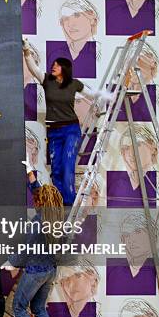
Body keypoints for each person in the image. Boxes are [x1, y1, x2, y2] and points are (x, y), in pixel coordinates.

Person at [23, 39, 109, 205]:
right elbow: (33, 68)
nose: (53, 66)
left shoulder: (74, 84)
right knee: (56, 170)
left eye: (56, 65)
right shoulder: (46, 80)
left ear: (64, 68)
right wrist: (27, 50)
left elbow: (92, 95)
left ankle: (68, 204)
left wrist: (108, 96)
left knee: (67, 166)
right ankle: (60, 203)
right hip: (54, 132)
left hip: (71, 130)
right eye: (53, 65)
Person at [3, 159, 62, 317]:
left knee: (19, 306)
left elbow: (26, 249)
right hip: (50, 271)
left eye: (37, 199)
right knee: (38, 308)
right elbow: (40, 193)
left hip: (35, 271)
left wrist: (12, 263)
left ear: (40, 203)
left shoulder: (38, 223)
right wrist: (31, 176)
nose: (35, 200)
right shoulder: (55, 217)